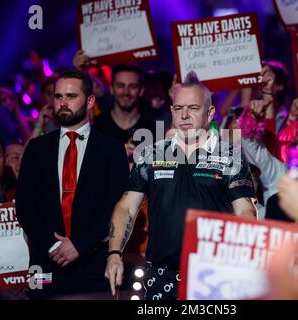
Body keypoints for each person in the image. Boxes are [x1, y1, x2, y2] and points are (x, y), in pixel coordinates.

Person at [105, 71, 257, 300]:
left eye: (194, 108)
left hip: (213, 276)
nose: (185, 115)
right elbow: (127, 206)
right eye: (178, 108)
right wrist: (114, 252)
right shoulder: (151, 154)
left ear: (210, 113)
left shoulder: (229, 157)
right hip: (160, 276)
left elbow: (245, 209)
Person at [15, 69, 129, 299]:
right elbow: (25, 207)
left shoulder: (112, 149)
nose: (63, 103)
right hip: (46, 265)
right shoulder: (36, 149)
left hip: (94, 265)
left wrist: (79, 245)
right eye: (58, 97)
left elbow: (117, 206)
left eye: (71, 96)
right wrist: (53, 246)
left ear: (90, 101)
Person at [93, 64, 156, 162]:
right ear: (111, 89)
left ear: (141, 90)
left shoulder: (153, 127)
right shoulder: (97, 126)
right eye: (120, 86)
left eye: (133, 87)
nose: (126, 92)